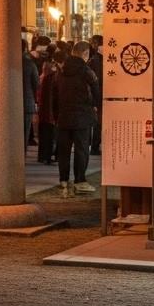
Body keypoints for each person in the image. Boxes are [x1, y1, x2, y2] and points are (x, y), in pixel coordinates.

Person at [52, 41, 99, 198]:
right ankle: (80, 181)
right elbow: (96, 92)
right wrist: (94, 107)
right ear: (85, 53)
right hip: (82, 117)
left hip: (63, 117)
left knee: (64, 151)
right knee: (81, 150)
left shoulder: (61, 70)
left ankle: (63, 181)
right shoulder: (87, 71)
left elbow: (54, 96)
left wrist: (56, 115)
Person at [36, 56, 58, 166]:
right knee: (49, 135)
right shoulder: (50, 78)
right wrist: (52, 115)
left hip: (43, 112)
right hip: (48, 113)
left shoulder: (42, 77)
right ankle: (47, 157)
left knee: (43, 134)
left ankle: (42, 156)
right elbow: (50, 98)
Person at [87, 35, 104, 154]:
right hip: (102, 94)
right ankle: (95, 146)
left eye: (93, 43)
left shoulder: (94, 60)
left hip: (97, 94)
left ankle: (94, 146)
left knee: (97, 122)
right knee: (98, 122)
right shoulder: (97, 59)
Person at [22, 39, 39, 151]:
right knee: (25, 131)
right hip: (27, 102)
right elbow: (36, 83)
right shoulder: (29, 64)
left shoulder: (6, 62)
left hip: (9, 104)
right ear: (25, 48)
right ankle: (21, 155)